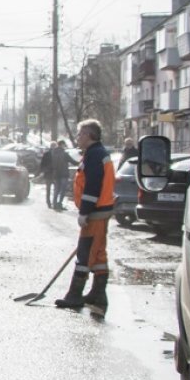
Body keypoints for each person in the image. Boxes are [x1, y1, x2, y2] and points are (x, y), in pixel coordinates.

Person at [55, 119, 115, 316]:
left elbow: (92, 187)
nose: (77, 137)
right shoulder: (96, 153)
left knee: (86, 252)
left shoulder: (95, 155)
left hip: (95, 213)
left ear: (89, 135)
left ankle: (74, 295)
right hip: (100, 211)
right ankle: (98, 293)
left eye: (80, 134)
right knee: (98, 255)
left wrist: (85, 212)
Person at [50, 139, 74, 210]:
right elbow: (73, 161)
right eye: (64, 145)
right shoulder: (65, 153)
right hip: (64, 174)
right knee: (62, 190)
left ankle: (54, 204)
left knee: (56, 190)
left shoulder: (53, 153)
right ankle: (59, 204)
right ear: (62, 145)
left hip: (56, 174)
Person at [37, 143, 55, 208]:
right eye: (53, 146)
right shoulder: (47, 154)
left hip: (54, 173)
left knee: (53, 189)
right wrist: (42, 171)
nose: (53, 148)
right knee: (48, 188)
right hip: (49, 173)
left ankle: (53, 202)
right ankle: (48, 202)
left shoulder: (55, 154)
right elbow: (42, 163)